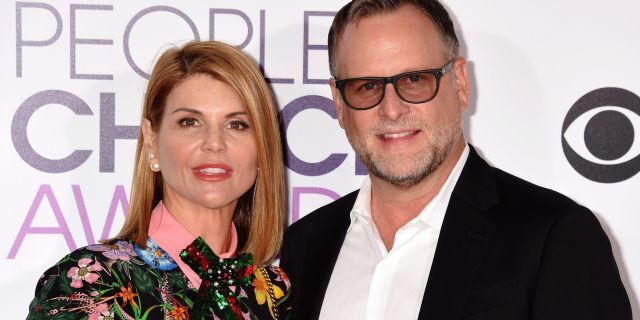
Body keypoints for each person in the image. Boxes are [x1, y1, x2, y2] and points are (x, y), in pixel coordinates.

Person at [279, 1, 632, 319]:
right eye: (366, 87)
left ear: (460, 83)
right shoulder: (306, 245)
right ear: (338, 104)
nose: (391, 109)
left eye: (415, 80)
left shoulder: (554, 237)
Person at [27, 41, 291, 320]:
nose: (215, 143)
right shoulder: (90, 282)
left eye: (237, 124)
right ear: (151, 140)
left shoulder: (277, 293)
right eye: (190, 122)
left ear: (263, 148)